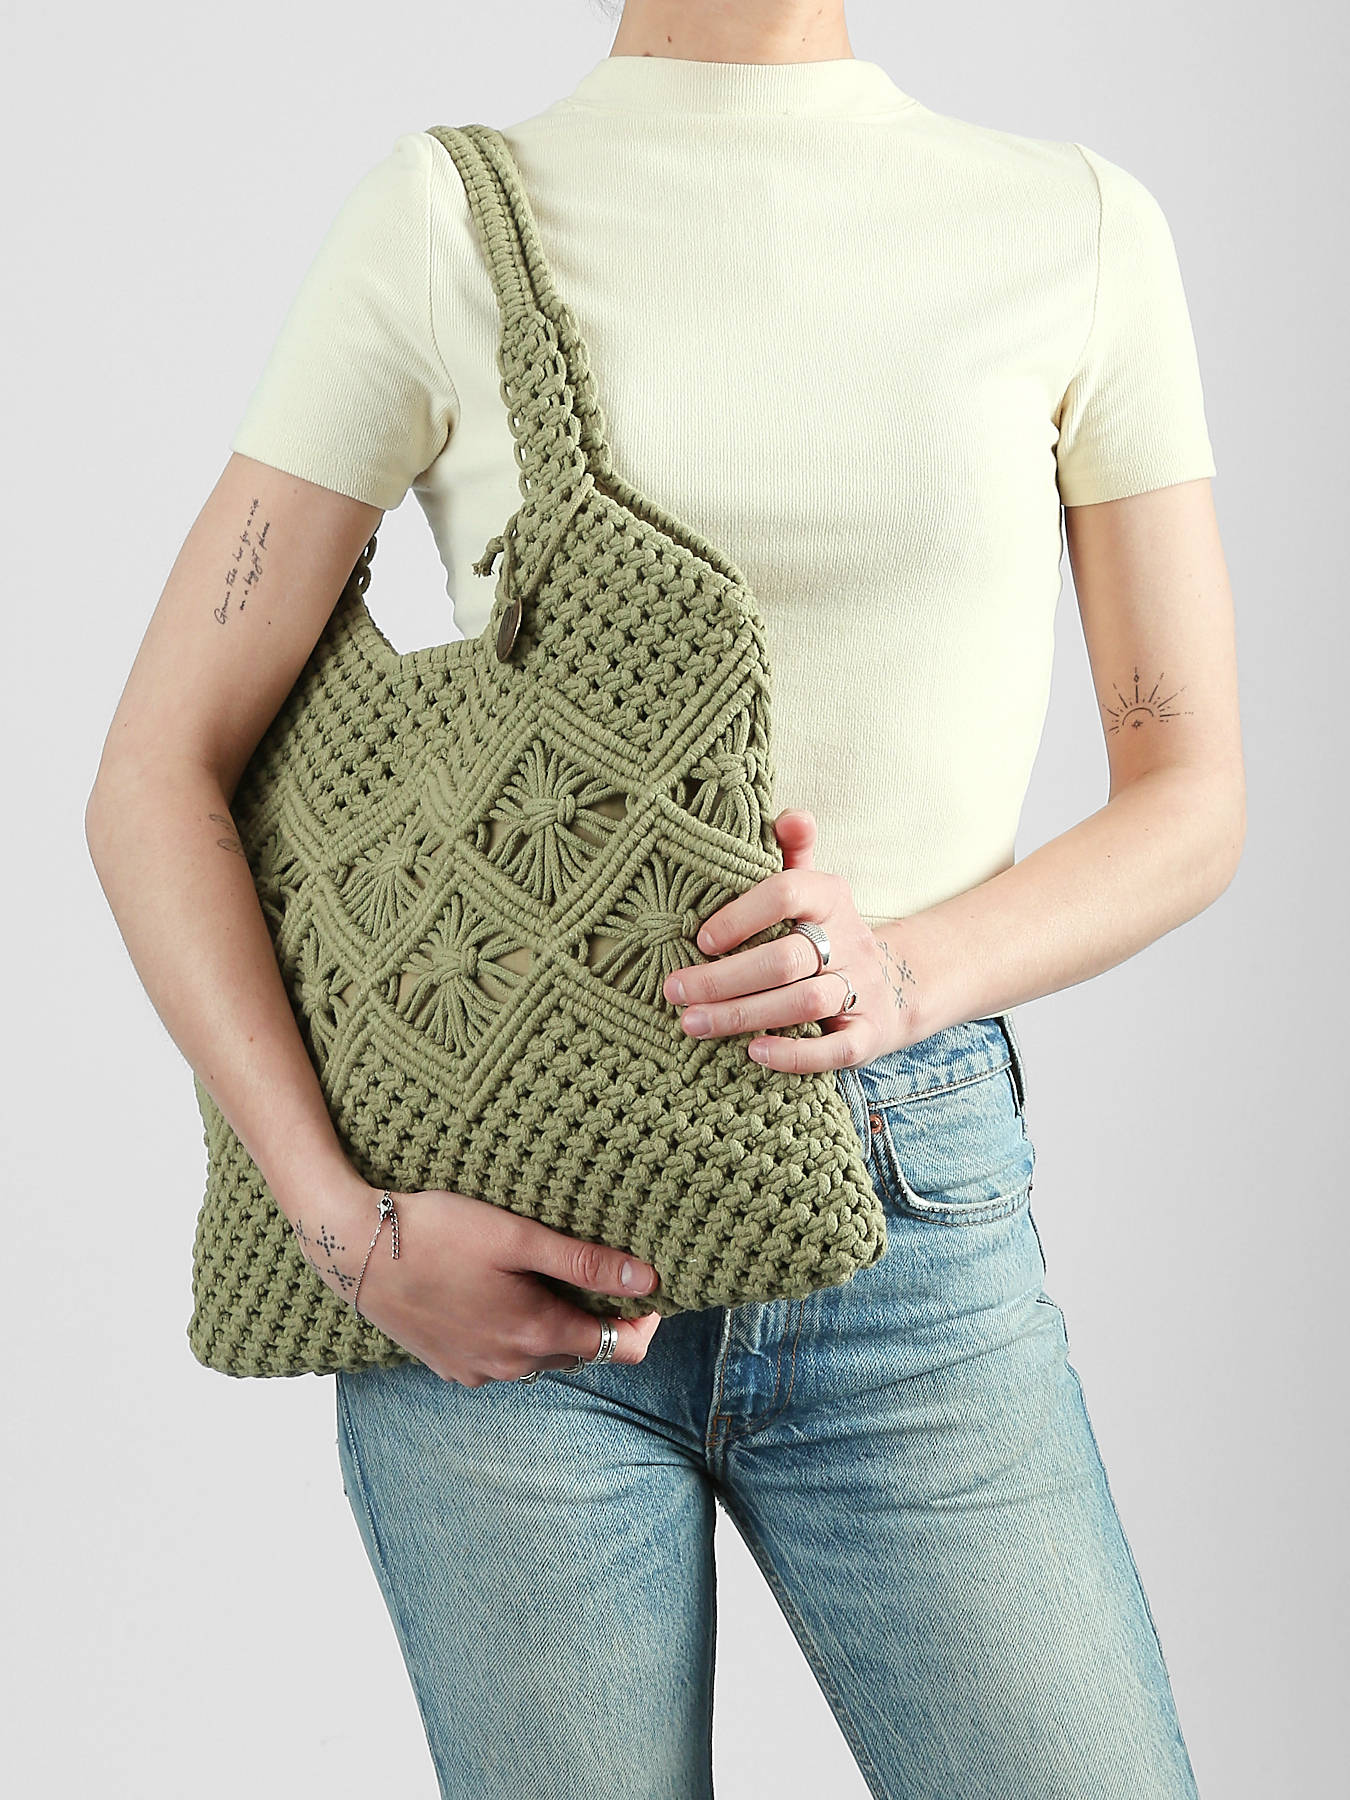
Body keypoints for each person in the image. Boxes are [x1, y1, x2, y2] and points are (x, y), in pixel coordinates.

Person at [84, 0, 1243, 1793]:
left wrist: (906, 971)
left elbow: (1189, 796)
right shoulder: (448, 217)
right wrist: (345, 1235)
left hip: (909, 1207)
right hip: (498, 1234)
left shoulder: (1075, 228)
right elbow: (155, 778)